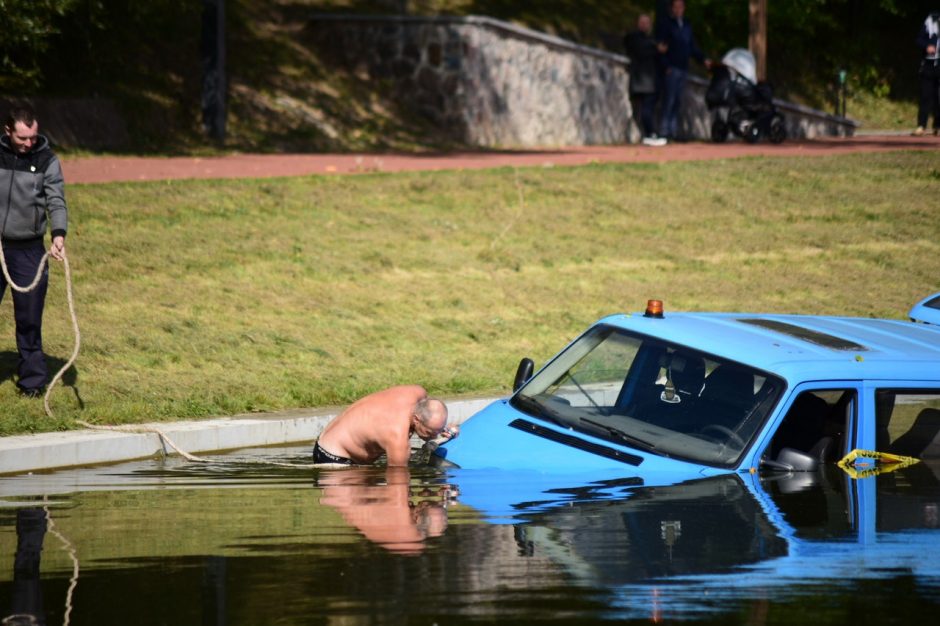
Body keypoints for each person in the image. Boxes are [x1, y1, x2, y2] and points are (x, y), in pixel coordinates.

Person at [0, 106, 68, 398]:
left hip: (29, 252)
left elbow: (56, 198)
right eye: (22, 138)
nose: (28, 143)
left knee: (29, 319)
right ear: (8, 132)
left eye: (33, 137)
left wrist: (59, 234)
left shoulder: (46, 160)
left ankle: (32, 381)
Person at [314, 384, 458, 466]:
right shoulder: (396, 436)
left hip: (332, 435)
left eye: (438, 430)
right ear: (416, 419)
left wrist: (440, 431)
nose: (434, 436)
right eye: (430, 432)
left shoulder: (417, 392)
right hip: (334, 458)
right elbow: (398, 483)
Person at [655, 0, 711, 141]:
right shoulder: (666, 24)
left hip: (683, 69)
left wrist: (703, 59)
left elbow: (692, 46)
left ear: (684, 8)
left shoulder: (686, 25)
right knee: (669, 100)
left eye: (681, 6)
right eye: (676, 7)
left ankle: (673, 132)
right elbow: (660, 48)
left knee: (678, 101)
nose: (679, 9)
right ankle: (664, 131)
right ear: (672, 8)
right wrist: (666, 66)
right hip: (671, 69)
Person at [624, 14, 667, 146]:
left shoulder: (651, 40)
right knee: (646, 109)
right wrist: (656, 49)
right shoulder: (634, 38)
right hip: (641, 81)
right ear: (637, 23)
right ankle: (650, 134)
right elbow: (640, 49)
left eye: (647, 22)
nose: (644, 25)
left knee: (647, 109)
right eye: (642, 22)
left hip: (649, 80)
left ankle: (649, 134)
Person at [914, 11, 940, 136]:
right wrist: (927, 46)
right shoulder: (930, 20)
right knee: (925, 96)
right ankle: (921, 125)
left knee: (938, 97)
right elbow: (918, 39)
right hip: (928, 66)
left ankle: (937, 126)